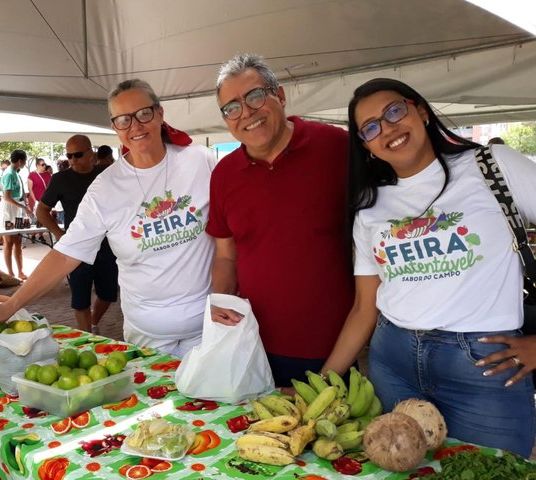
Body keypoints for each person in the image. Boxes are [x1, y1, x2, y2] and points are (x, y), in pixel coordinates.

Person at [320, 78, 536, 457]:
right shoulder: (369, 205)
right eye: (370, 128)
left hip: (482, 365)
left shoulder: (492, 166)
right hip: (392, 363)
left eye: (394, 111)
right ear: (365, 145)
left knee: (489, 471)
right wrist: (322, 384)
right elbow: (364, 307)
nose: (387, 129)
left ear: (420, 110)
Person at [0, 79, 217, 357]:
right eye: (123, 119)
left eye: (143, 113)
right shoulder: (106, 187)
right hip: (148, 336)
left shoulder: (200, 161)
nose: (135, 126)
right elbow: (65, 255)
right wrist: (10, 306)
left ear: (159, 113)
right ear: (114, 127)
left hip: (208, 327)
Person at [207, 54, 354, 387]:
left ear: (280, 96)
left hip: (332, 348)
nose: (246, 113)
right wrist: (220, 303)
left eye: (255, 96)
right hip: (253, 345)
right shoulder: (224, 175)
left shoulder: (336, 147)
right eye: (231, 108)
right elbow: (226, 256)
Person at [37, 134, 119, 334]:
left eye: (78, 155)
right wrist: (60, 234)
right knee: (80, 299)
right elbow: (41, 211)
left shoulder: (106, 174)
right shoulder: (60, 179)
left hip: (107, 245)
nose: (72, 160)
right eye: (69, 156)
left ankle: (93, 323)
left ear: (91, 153)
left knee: (108, 294)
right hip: (77, 247)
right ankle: (88, 337)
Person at [0, 150, 33, 279]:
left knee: (18, 240)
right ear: (20, 161)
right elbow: (7, 197)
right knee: (8, 242)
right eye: (24, 161)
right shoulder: (9, 173)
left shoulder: (15, 173)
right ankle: (10, 272)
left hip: (17, 207)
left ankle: (20, 271)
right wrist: (23, 206)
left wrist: (24, 205)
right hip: (8, 209)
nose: (24, 163)